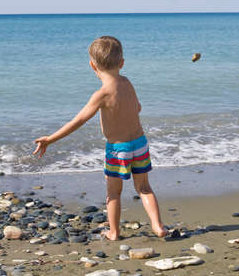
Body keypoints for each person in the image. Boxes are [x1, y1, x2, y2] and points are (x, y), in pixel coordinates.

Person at [33, 36, 167, 240]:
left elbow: (77, 121)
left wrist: (50, 139)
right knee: (144, 188)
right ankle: (158, 227)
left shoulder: (102, 94)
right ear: (122, 63)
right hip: (140, 144)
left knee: (113, 193)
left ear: (92, 65)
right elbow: (137, 107)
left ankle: (114, 232)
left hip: (117, 149)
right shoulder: (127, 82)